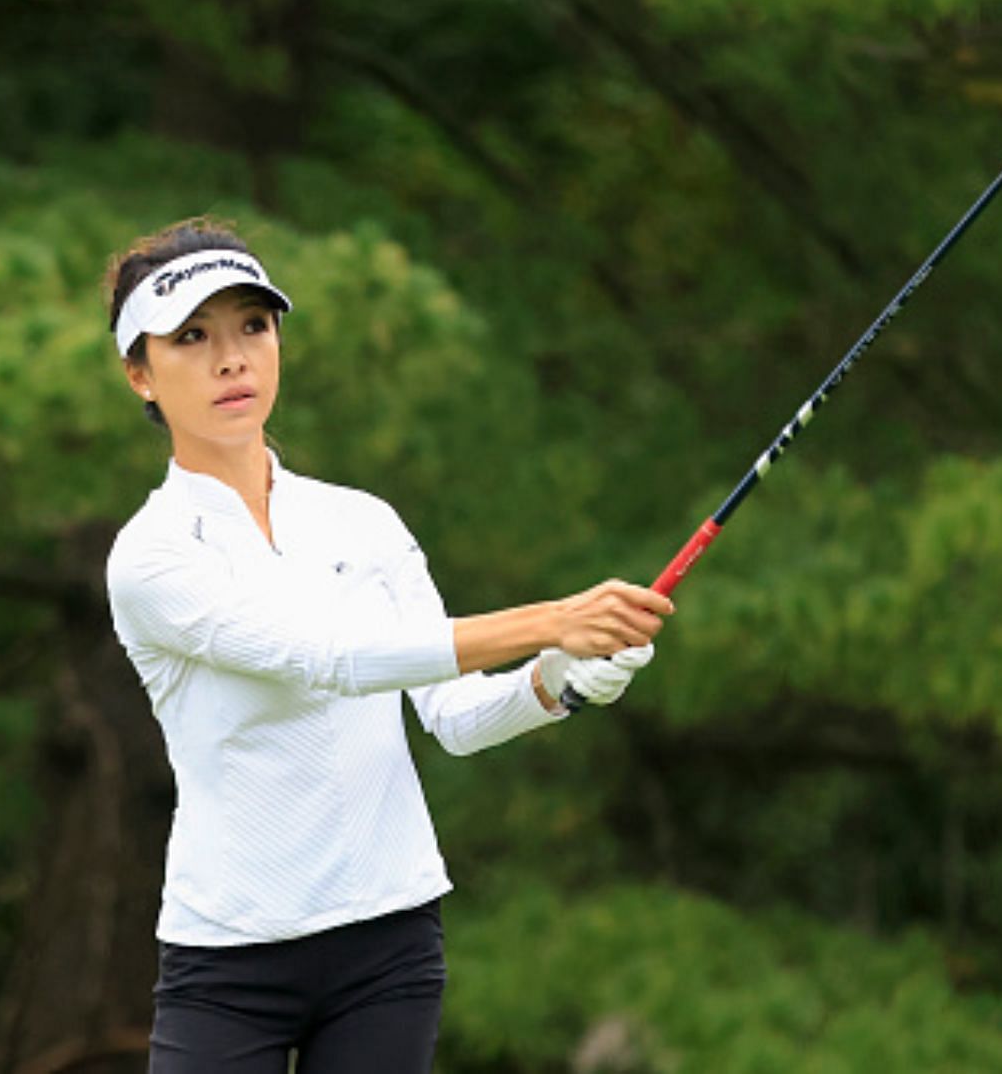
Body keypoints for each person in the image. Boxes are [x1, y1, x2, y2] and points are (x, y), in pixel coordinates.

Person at [102, 218, 673, 1073]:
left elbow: (455, 719)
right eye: (192, 338)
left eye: (252, 328)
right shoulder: (152, 557)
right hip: (229, 958)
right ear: (139, 374)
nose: (232, 360)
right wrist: (552, 621)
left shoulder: (360, 522)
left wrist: (560, 681)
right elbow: (328, 657)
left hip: (388, 942)